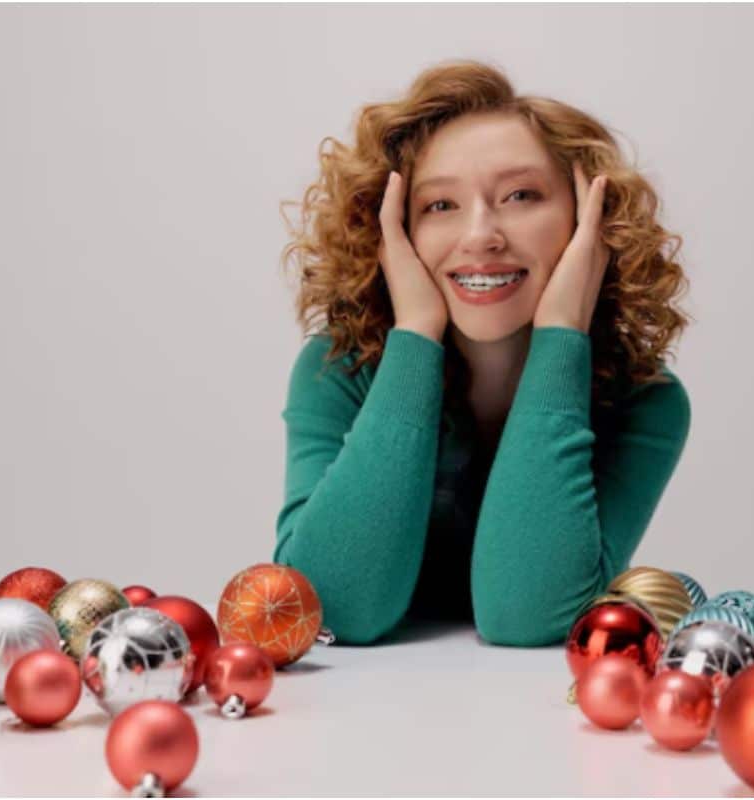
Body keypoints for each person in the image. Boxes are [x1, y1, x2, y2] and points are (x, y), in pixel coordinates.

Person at [272, 59, 693, 647]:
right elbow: (329, 608)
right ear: (394, 230)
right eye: (440, 206)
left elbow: (528, 616)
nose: (481, 236)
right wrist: (416, 332)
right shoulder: (335, 371)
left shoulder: (645, 401)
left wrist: (561, 335)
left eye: (522, 195)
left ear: (587, 221)